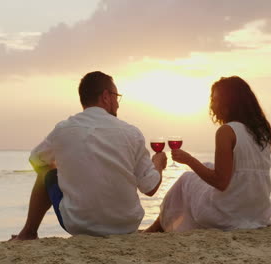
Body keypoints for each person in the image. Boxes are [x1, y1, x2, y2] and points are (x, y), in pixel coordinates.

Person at [11, 71, 167, 240]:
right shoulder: (131, 132)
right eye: (116, 96)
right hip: (127, 225)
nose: (118, 104)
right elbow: (150, 187)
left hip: (79, 225)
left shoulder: (63, 130)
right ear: (106, 96)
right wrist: (157, 163)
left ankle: (28, 232)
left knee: (44, 172)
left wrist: (61, 168)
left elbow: (35, 160)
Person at [146, 76, 271, 232]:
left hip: (228, 214)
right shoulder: (262, 133)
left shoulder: (227, 131)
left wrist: (189, 160)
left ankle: (158, 227)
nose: (212, 105)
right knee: (207, 167)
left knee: (185, 180)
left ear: (229, 103)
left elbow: (220, 182)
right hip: (258, 215)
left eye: (215, 100)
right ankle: (162, 225)